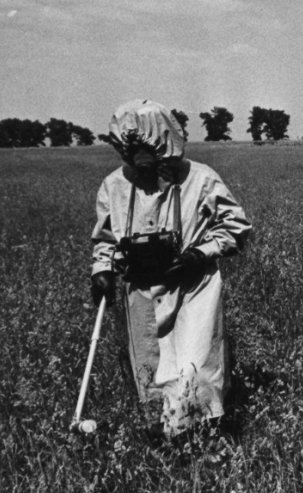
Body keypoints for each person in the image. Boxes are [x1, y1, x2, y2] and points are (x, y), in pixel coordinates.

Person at [90, 99, 252, 440]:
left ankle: (204, 440)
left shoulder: (201, 179)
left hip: (194, 287)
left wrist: (198, 253)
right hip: (141, 291)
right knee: (150, 366)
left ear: (167, 147)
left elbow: (237, 226)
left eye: (153, 163)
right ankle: (162, 440)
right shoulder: (114, 186)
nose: (145, 171)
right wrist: (102, 269)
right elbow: (105, 238)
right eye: (137, 163)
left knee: (195, 367)